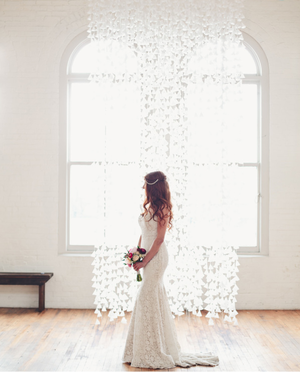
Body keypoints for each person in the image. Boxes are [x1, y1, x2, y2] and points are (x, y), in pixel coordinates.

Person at [122, 171, 219, 369]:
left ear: (152, 186)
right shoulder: (148, 206)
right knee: (148, 298)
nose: (143, 189)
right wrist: (136, 255)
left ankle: (154, 349)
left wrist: (145, 261)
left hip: (157, 258)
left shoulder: (163, 207)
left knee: (146, 296)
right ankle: (140, 348)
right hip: (147, 255)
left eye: (145, 185)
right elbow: (144, 235)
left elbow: (159, 239)